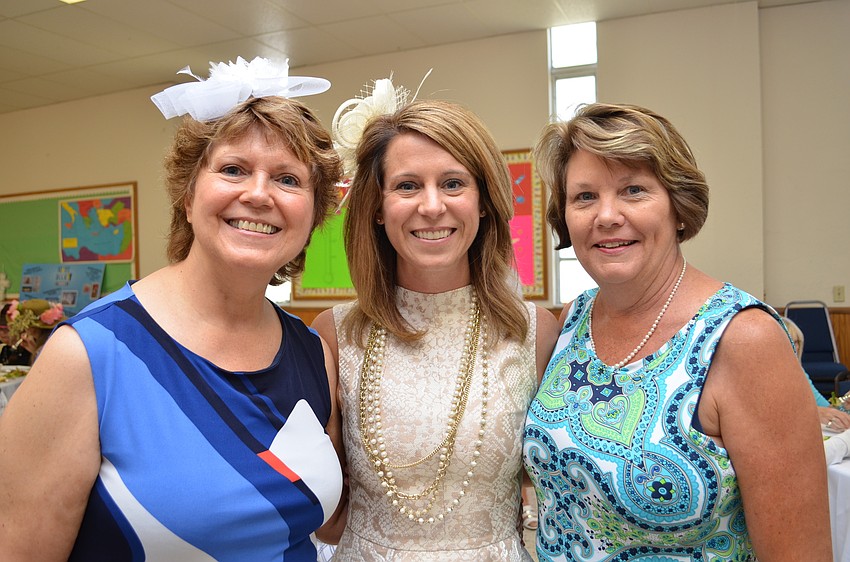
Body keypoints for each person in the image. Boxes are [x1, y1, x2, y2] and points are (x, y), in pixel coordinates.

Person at [0, 57, 345, 561]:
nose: (258, 194)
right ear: (188, 195)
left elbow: (330, 524)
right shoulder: (89, 355)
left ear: (314, 215)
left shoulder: (313, 353)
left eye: (289, 179)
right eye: (233, 169)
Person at [523, 103, 832, 561]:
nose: (606, 215)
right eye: (584, 196)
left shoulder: (744, 339)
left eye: (633, 190)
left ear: (679, 208)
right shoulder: (572, 321)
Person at [312, 79, 560, 560]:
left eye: (452, 183)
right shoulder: (335, 334)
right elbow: (327, 515)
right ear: (378, 208)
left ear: (483, 203)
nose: (431, 206)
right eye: (407, 185)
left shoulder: (534, 331)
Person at [781, 315, 850, 431]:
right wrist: (812, 413)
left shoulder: (800, 372)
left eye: (797, 342)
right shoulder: (760, 378)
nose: (796, 348)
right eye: (790, 342)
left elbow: (825, 407)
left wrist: (844, 406)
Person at [3, 298, 65, 365]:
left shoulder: (46, 346)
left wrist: (36, 352)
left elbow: (43, 367)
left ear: (31, 329)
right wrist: (34, 351)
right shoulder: (57, 339)